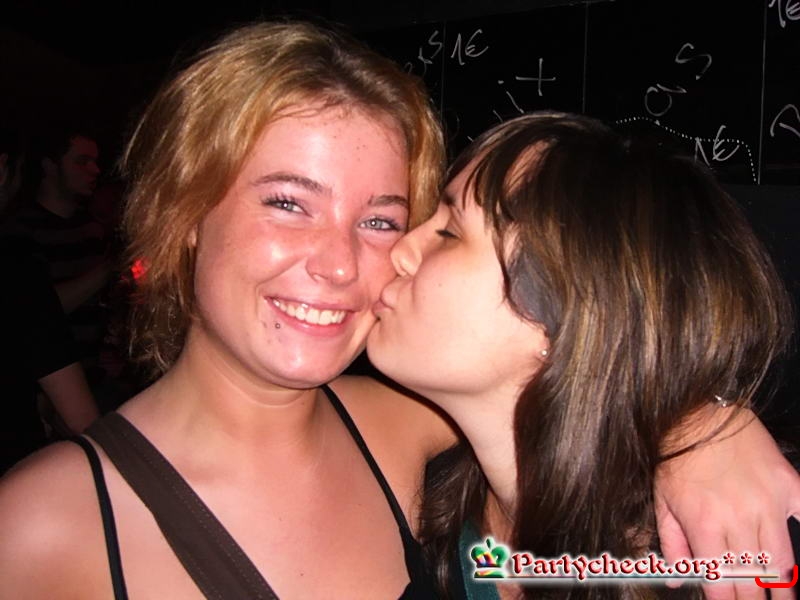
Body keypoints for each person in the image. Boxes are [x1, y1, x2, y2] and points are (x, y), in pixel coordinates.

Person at [0, 22, 796, 600]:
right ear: (186, 213)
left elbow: (583, 378)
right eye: (288, 202)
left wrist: (702, 426)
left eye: (381, 220)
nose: (342, 263)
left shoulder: (410, 426)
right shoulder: (42, 524)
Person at [366, 112, 800, 599]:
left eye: (449, 233)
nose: (401, 250)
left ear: (562, 316)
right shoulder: (427, 520)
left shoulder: (742, 545)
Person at [0, 127, 99, 472]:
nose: (95, 170)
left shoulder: (93, 229)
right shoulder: (18, 240)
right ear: (49, 166)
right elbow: (39, 313)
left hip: (90, 380)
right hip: (27, 446)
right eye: (82, 161)